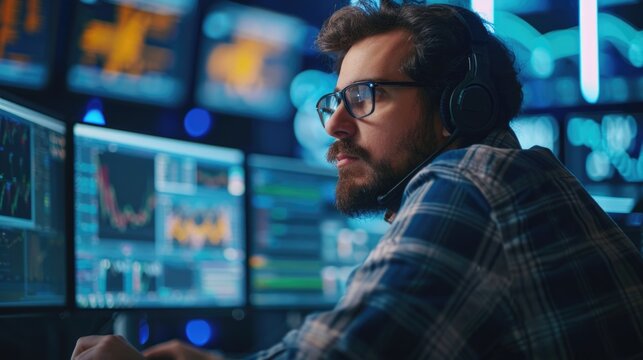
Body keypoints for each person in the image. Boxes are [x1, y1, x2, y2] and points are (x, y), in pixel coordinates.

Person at [72, 1, 643, 359]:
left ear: (458, 108)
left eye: (365, 98)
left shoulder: (471, 183)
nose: (336, 126)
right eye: (335, 101)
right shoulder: (507, 177)